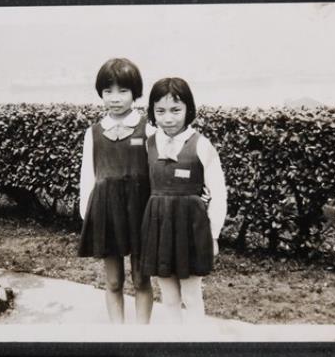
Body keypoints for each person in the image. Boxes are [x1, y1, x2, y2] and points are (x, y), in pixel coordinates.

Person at [140, 77, 227, 323]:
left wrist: (213, 235)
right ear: (152, 111)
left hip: (190, 229)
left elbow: (219, 193)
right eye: (160, 111)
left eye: (176, 110)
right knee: (168, 297)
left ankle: (196, 342)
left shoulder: (201, 145)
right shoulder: (149, 144)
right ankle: (174, 340)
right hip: (159, 227)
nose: (168, 118)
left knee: (191, 295)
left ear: (189, 109)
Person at [78, 58, 154, 324]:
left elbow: (157, 173)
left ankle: (141, 337)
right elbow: (88, 175)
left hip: (140, 212)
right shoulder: (93, 133)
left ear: (135, 92)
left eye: (123, 90)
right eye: (108, 91)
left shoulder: (148, 129)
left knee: (141, 279)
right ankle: (118, 335)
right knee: (113, 281)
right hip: (107, 212)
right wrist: (88, 215)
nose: (115, 98)